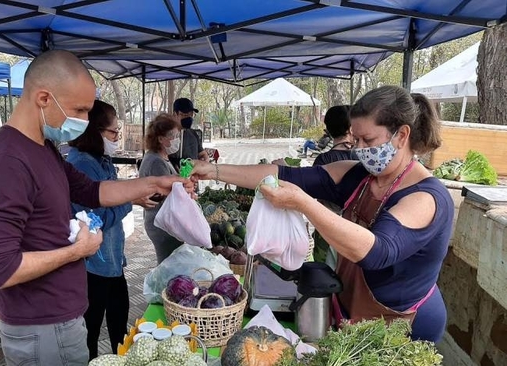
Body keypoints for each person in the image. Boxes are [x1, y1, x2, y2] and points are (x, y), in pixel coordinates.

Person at [0, 50, 190, 366]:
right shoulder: (6, 160)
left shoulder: (43, 148)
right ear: (45, 98)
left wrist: (159, 184)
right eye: (79, 110)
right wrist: (76, 251)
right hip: (42, 328)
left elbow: (92, 190)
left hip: (61, 318)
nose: (85, 122)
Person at [190, 85, 453, 343]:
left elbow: (376, 252)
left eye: (368, 140)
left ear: (402, 135)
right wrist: (212, 171)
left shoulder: (425, 197)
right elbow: (283, 175)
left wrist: (303, 203)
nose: (358, 148)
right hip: (353, 312)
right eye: (355, 138)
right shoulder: (359, 176)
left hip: (404, 325)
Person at [66, 100, 157, 360]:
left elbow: (114, 199)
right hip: (93, 264)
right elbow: (97, 219)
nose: (117, 138)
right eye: (113, 132)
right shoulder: (82, 165)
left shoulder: (102, 160)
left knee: (119, 324)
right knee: (91, 330)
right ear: (93, 131)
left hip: (113, 261)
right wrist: (131, 200)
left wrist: (130, 196)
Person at [311, 104, 358, 266]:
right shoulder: (362, 158)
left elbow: (312, 193)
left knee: (324, 277)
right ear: (351, 128)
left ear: (329, 130)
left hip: (326, 229)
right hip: (357, 231)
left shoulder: (323, 161)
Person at [139, 114, 185, 263]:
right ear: (160, 139)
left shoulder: (162, 157)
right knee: (167, 266)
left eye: (177, 135)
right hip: (160, 223)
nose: (176, 139)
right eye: (172, 136)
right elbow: (168, 193)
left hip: (164, 220)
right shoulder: (155, 162)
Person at [169, 97, 209, 168]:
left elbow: (202, 153)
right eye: (185, 115)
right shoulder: (166, 135)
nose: (189, 117)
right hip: (170, 177)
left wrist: (204, 159)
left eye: (191, 114)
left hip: (191, 178)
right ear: (175, 114)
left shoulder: (193, 134)